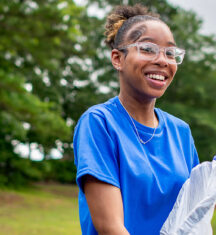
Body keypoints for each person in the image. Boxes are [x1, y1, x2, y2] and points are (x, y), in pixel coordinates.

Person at [73, 4, 199, 235]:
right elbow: (110, 228)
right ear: (117, 59)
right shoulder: (99, 123)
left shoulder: (181, 132)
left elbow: (191, 220)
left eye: (170, 53)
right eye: (148, 49)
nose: (163, 60)